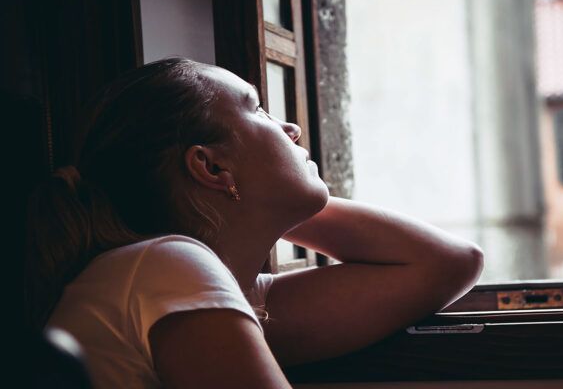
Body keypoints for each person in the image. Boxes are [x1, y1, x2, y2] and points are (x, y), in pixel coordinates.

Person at [25, 58, 484, 388]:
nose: (291, 129)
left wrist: (266, 201)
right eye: (258, 109)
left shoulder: (215, 288)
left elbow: (448, 262)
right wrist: (269, 198)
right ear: (212, 168)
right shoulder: (168, 268)